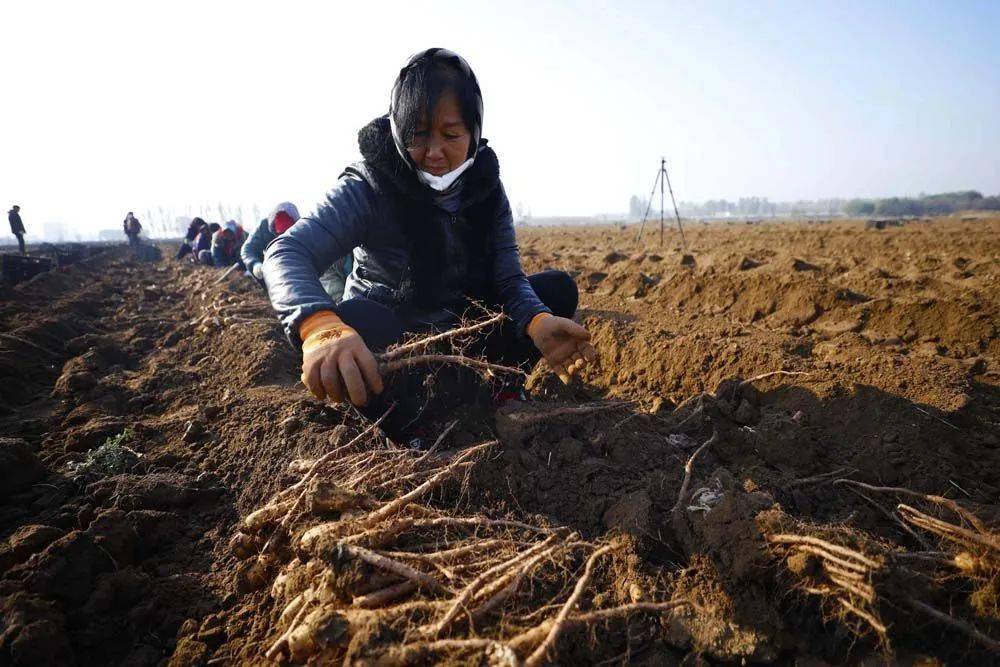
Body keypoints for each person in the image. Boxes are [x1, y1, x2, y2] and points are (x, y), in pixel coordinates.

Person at [263, 48, 596, 440]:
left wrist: (537, 320)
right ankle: (407, 424)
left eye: (451, 135)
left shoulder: (486, 189)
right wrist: (318, 326)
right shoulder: (370, 186)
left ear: (474, 133)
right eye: (417, 135)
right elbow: (287, 252)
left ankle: (496, 387)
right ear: (396, 130)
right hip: (399, 345)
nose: (434, 153)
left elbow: (508, 279)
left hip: (465, 335)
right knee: (356, 318)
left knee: (555, 290)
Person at [242, 202, 352, 302]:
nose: (283, 236)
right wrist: (255, 264)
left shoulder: (306, 234)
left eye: (287, 232)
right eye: (281, 233)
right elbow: (247, 250)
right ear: (273, 229)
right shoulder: (263, 229)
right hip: (265, 268)